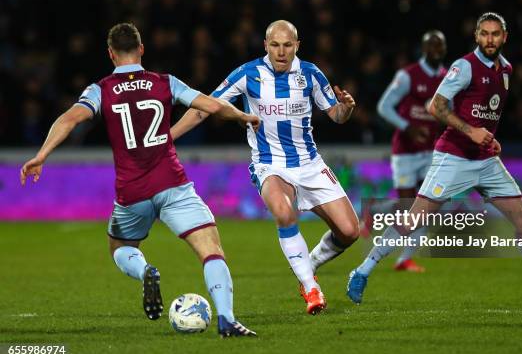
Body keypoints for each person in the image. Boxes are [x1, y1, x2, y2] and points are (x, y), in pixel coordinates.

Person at [20, 23, 258, 337]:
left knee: (120, 246)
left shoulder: (100, 90)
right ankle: (227, 319)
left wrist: (42, 154)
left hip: (132, 191)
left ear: (110, 53)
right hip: (172, 183)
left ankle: (144, 269)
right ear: (141, 48)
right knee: (210, 249)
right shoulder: (165, 82)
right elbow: (212, 106)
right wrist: (242, 117)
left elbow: (69, 119)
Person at [347, 12, 522, 306]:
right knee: (414, 217)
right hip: (453, 157)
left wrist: (490, 138)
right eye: (484, 33)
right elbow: (436, 106)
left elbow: (487, 113)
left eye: (495, 34)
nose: (489, 39)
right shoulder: (464, 66)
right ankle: (362, 271)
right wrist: (471, 132)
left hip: (486, 161)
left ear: (504, 37)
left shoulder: (507, 69)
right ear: (476, 36)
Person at [171, 20, 359, 315]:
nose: (281, 52)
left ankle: (307, 265)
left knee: (350, 232)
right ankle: (311, 288)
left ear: (297, 45)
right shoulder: (247, 74)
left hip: (309, 163)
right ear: (265, 45)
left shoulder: (311, 73)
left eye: (287, 45)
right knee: (285, 213)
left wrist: (346, 108)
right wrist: (167, 138)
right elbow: (202, 108)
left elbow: (335, 115)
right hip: (270, 165)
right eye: (275, 45)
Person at [366, 30, 448, 273]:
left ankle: (405, 259)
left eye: (440, 46)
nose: (436, 51)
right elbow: (384, 107)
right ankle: (376, 208)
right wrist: (408, 128)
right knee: (407, 206)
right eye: (431, 46)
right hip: (405, 151)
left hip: (430, 151)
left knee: (428, 206)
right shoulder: (408, 76)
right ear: (423, 49)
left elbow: (448, 111)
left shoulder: (448, 78)